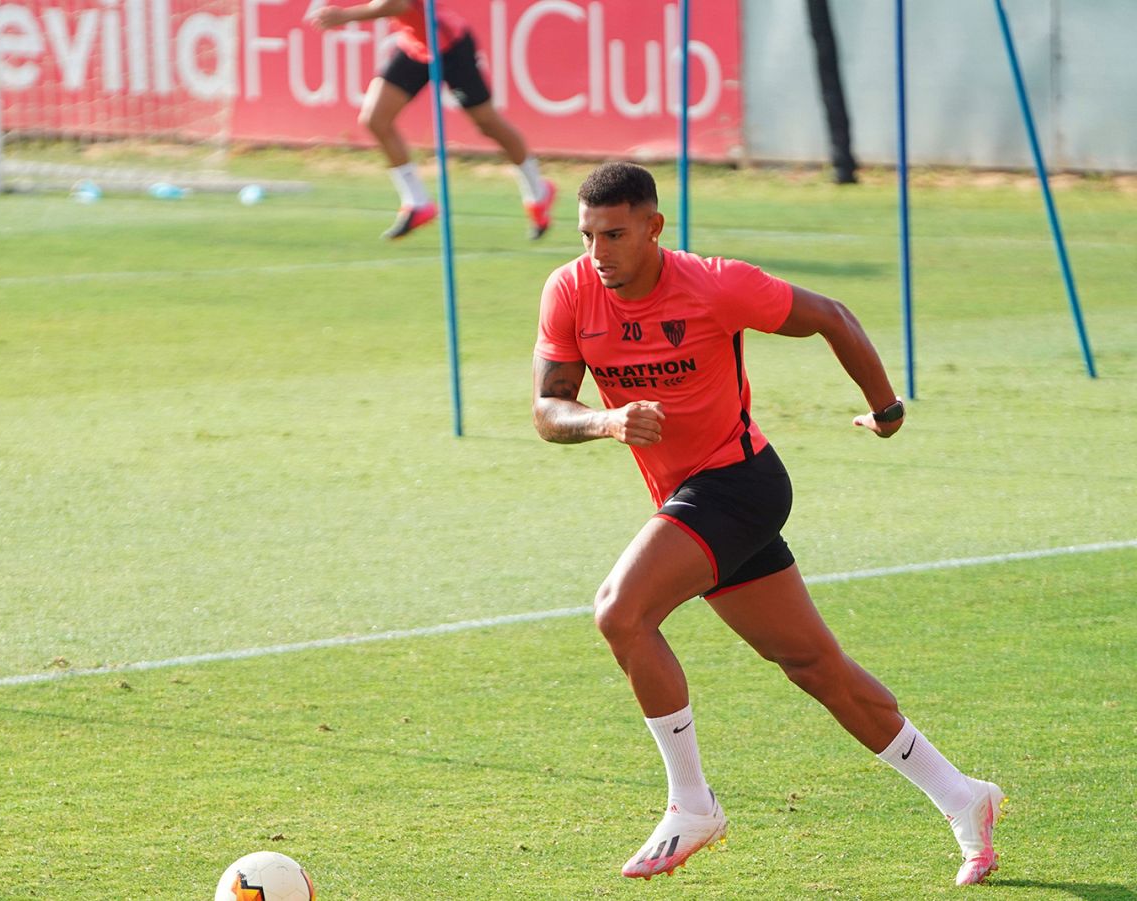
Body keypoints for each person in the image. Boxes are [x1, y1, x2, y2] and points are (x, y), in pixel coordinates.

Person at [530, 162, 1003, 886]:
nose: (600, 253)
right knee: (817, 668)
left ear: (655, 227)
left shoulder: (717, 283)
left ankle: (692, 803)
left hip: (740, 484)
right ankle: (963, 796)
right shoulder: (569, 290)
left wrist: (886, 408)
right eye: (588, 235)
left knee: (620, 612)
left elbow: (832, 317)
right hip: (693, 497)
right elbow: (548, 408)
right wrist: (607, 419)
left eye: (616, 234)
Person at [305, 0, 555, 241]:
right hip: (417, 45)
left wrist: (345, 16)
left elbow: (397, 4)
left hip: (449, 44)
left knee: (487, 123)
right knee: (375, 118)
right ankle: (417, 202)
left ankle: (537, 190)